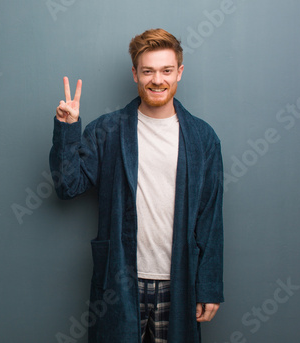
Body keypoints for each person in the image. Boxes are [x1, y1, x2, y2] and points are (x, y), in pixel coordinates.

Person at [49, 28, 224, 343]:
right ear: (135, 74)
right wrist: (68, 128)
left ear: (179, 72)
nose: (158, 79)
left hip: (180, 282)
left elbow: (210, 218)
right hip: (120, 281)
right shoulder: (107, 130)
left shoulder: (203, 137)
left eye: (166, 70)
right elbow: (67, 185)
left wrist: (209, 286)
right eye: (148, 71)